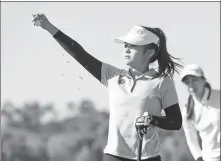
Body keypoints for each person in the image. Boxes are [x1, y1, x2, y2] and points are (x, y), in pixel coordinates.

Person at [32, 13, 183, 161]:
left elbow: (176, 122)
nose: (127, 49)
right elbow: (80, 54)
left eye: (133, 46)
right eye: (126, 45)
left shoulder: (162, 81)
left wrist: (152, 119)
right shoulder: (112, 75)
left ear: (150, 52)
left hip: (147, 157)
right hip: (113, 156)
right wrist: (49, 27)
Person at [180, 64, 220, 161]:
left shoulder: (219, 96)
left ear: (203, 80)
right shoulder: (186, 111)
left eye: (195, 80)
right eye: (187, 82)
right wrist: (199, 158)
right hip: (209, 158)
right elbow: (191, 140)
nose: (191, 85)